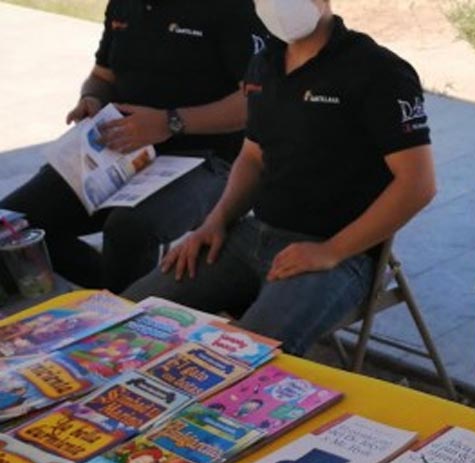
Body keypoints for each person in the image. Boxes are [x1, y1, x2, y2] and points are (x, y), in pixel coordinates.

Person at [124, 0, 436, 355]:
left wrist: (331, 251)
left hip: (336, 252)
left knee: (242, 358)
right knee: (127, 317)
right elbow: (253, 156)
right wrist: (215, 221)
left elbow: (418, 184)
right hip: (251, 236)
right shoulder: (265, 61)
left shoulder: (379, 72)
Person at [0, 0, 260, 292]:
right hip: (120, 152)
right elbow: (101, 76)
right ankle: (117, 295)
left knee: (129, 229)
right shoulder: (124, 5)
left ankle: (125, 305)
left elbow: (255, 102)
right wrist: (92, 99)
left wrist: (169, 123)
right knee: (13, 220)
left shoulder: (232, 9)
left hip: (205, 160)